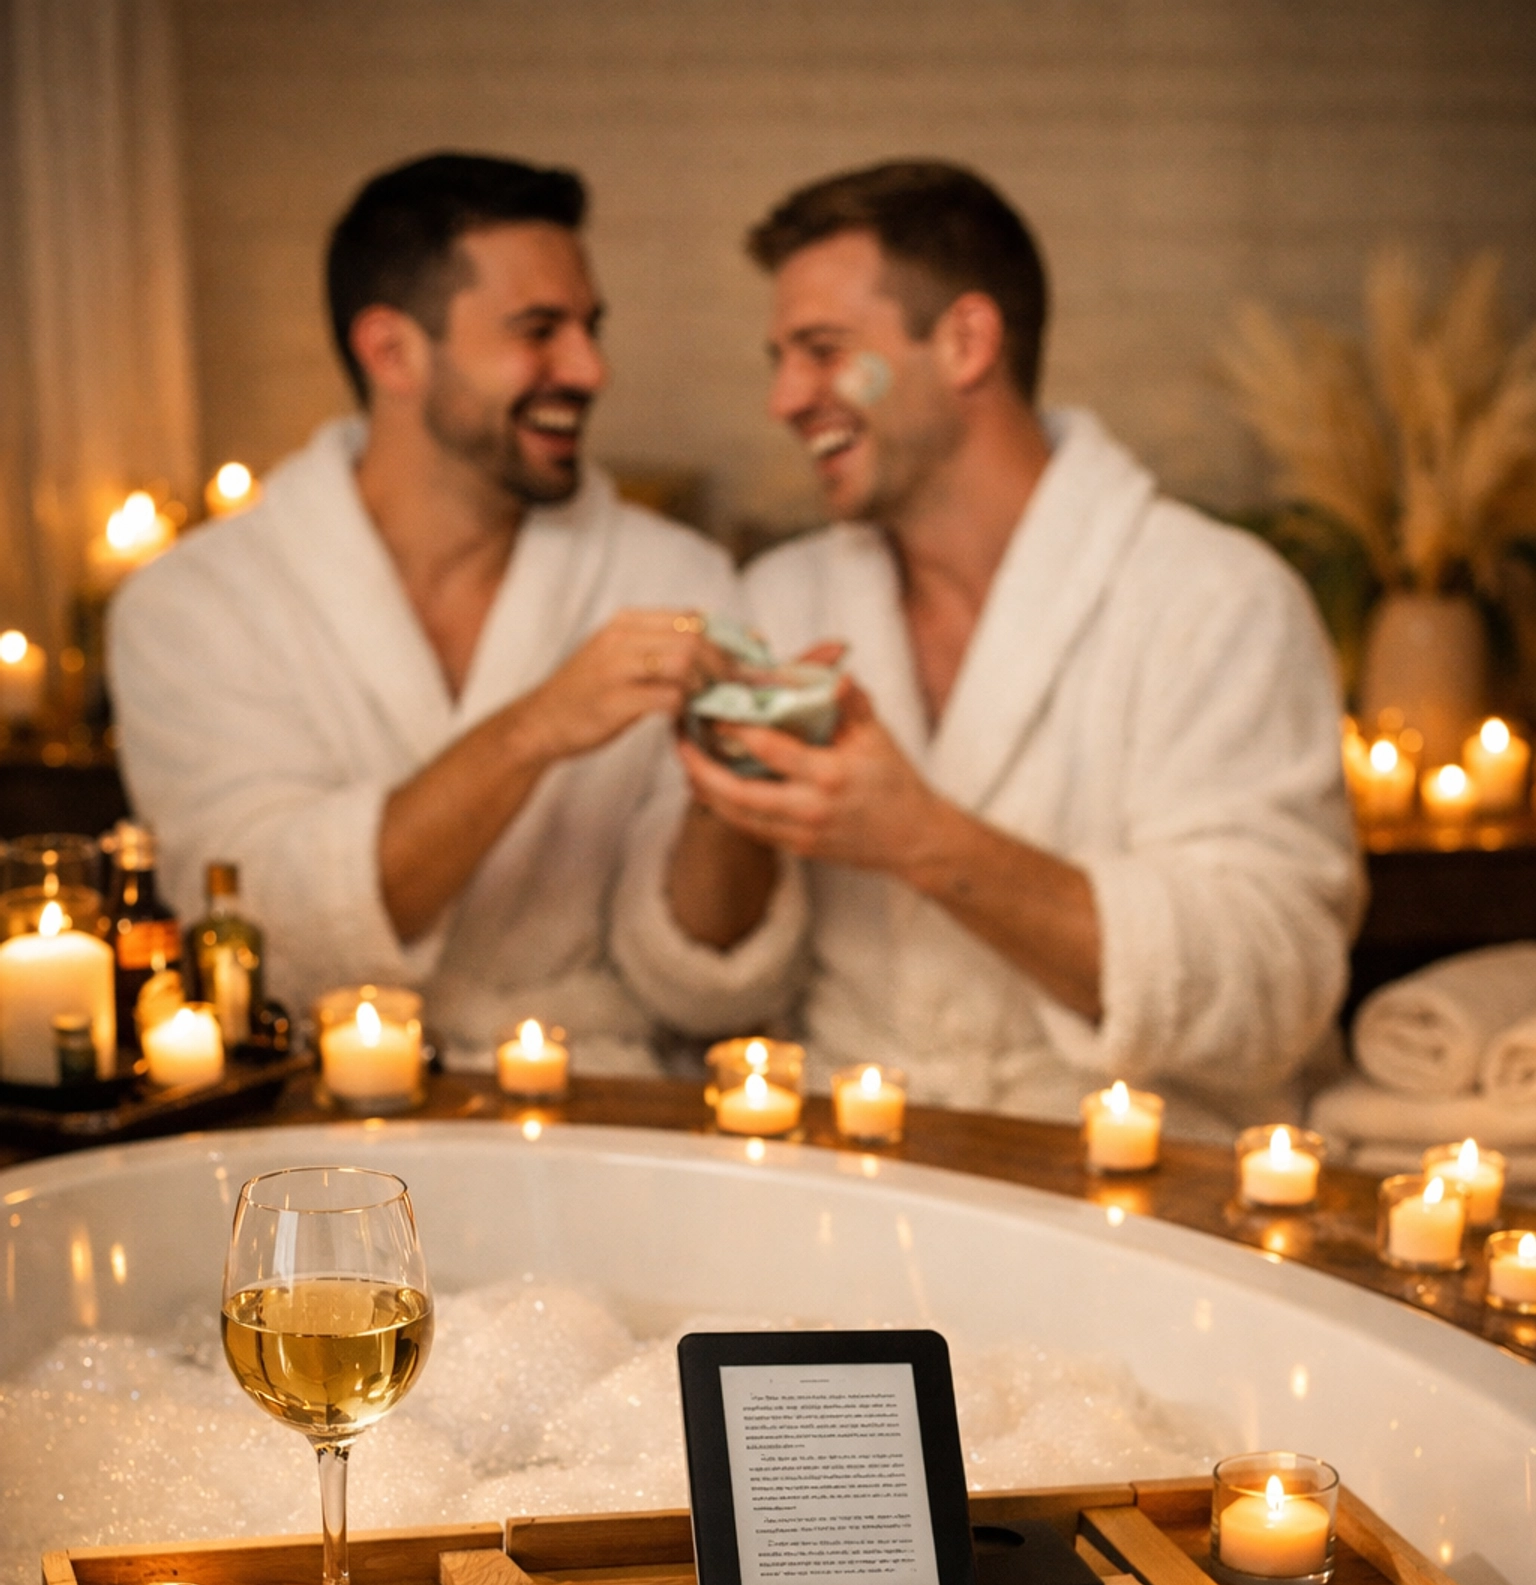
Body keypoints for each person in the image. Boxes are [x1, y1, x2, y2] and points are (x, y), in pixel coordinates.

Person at [679, 160, 1361, 1132]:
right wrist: (717, 795)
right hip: (848, 1168)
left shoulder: (1214, 601)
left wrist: (921, 837)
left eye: (822, 351)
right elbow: (705, 982)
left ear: (964, 342)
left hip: (1131, 1180)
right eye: (778, 359)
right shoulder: (784, 600)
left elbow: (1272, 987)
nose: (786, 398)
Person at [109, 152, 801, 1067]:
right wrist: (535, 728)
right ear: (392, 351)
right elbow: (267, 929)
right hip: (316, 1116)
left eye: (590, 328)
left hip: (599, 1098)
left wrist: (733, 795)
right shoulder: (195, 605)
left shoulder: (676, 577)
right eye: (539, 330)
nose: (590, 369)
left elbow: (703, 982)